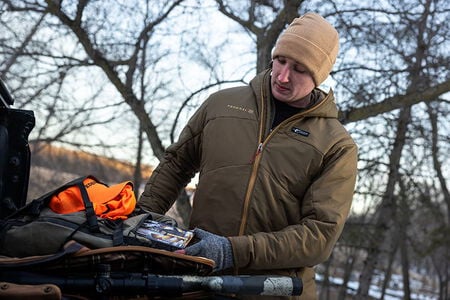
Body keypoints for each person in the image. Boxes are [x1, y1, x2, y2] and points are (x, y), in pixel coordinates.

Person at [139, 12, 358, 299]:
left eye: (299, 69)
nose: (282, 76)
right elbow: (176, 164)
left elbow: (318, 237)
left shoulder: (336, 145)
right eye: (280, 60)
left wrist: (232, 251)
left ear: (319, 75)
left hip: (275, 291)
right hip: (199, 279)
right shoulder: (221, 105)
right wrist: (141, 220)